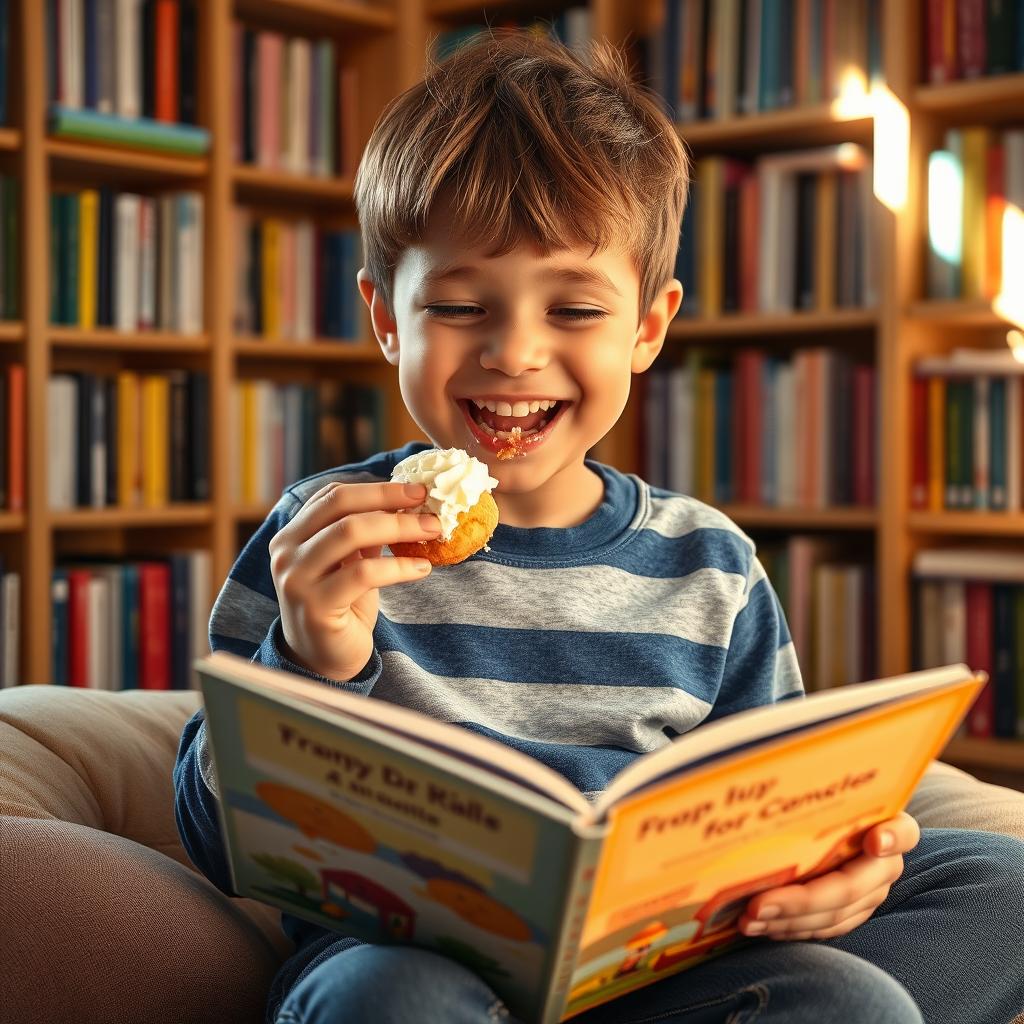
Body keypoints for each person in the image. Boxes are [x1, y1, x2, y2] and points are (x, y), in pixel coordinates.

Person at [173, 27, 1024, 1024]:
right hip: (410, 963)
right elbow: (213, 835)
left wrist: (836, 875)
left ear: (648, 328)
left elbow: (775, 809)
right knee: (384, 994)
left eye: (574, 308)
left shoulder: (711, 565)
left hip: (664, 972)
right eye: (457, 303)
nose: (514, 350)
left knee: (944, 921)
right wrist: (309, 657)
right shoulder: (324, 538)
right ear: (386, 318)